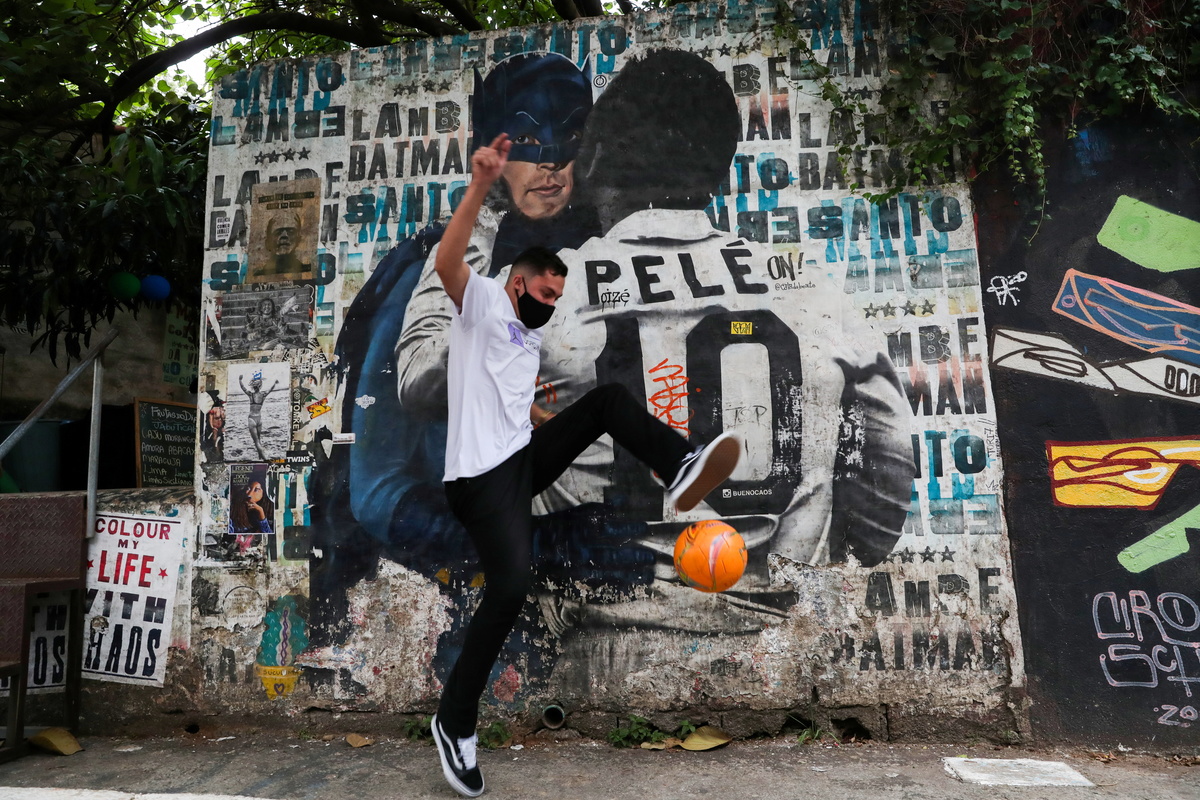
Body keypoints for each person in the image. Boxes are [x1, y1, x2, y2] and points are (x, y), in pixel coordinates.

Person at [428, 132, 742, 798]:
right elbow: (448, 261)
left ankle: (680, 465)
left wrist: (549, 423)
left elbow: (512, 405)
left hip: (518, 462)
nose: (548, 305)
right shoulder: (483, 305)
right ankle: (454, 723)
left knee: (604, 403)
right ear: (517, 282)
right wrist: (481, 184)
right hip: (480, 482)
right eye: (543, 292)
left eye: (556, 298)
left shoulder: (523, 336)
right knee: (508, 590)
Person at [239, 371, 280, 461]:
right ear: (260, 386)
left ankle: (265, 459)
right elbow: (270, 389)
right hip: (259, 419)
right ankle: (260, 457)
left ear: (253, 387)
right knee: (259, 439)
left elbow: (243, 388)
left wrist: (240, 380)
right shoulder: (263, 395)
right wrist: (274, 383)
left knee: (256, 441)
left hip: (252, 419)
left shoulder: (251, 395)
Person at [228, 477, 274, 552]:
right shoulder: (235, 508)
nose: (249, 494)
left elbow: (269, 536)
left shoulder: (269, 509)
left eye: (256, 490)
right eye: (248, 488)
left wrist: (261, 513)